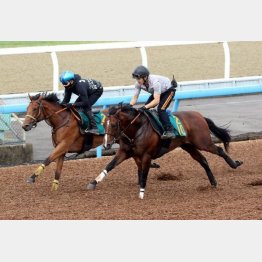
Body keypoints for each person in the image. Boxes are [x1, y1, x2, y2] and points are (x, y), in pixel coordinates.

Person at [130, 65, 177, 139]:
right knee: (145, 110)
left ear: (145, 77)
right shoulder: (138, 84)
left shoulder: (155, 82)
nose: (137, 80)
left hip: (168, 91)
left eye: (139, 78)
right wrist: (129, 105)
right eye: (136, 78)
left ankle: (169, 130)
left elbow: (156, 101)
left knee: (161, 109)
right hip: (158, 93)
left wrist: (145, 107)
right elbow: (135, 98)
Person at [59, 71, 103, 135]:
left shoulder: (79, 86)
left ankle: (94, 127)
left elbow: (85, 103)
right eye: (62, 83)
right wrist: (59, 106)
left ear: (71, 81)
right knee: (76, 107)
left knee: (85, 107)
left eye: (65, 83)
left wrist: (72, 104)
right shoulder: (69, 86)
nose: (64, 85)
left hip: (96, 91)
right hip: (87, 91)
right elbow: (66, 100)